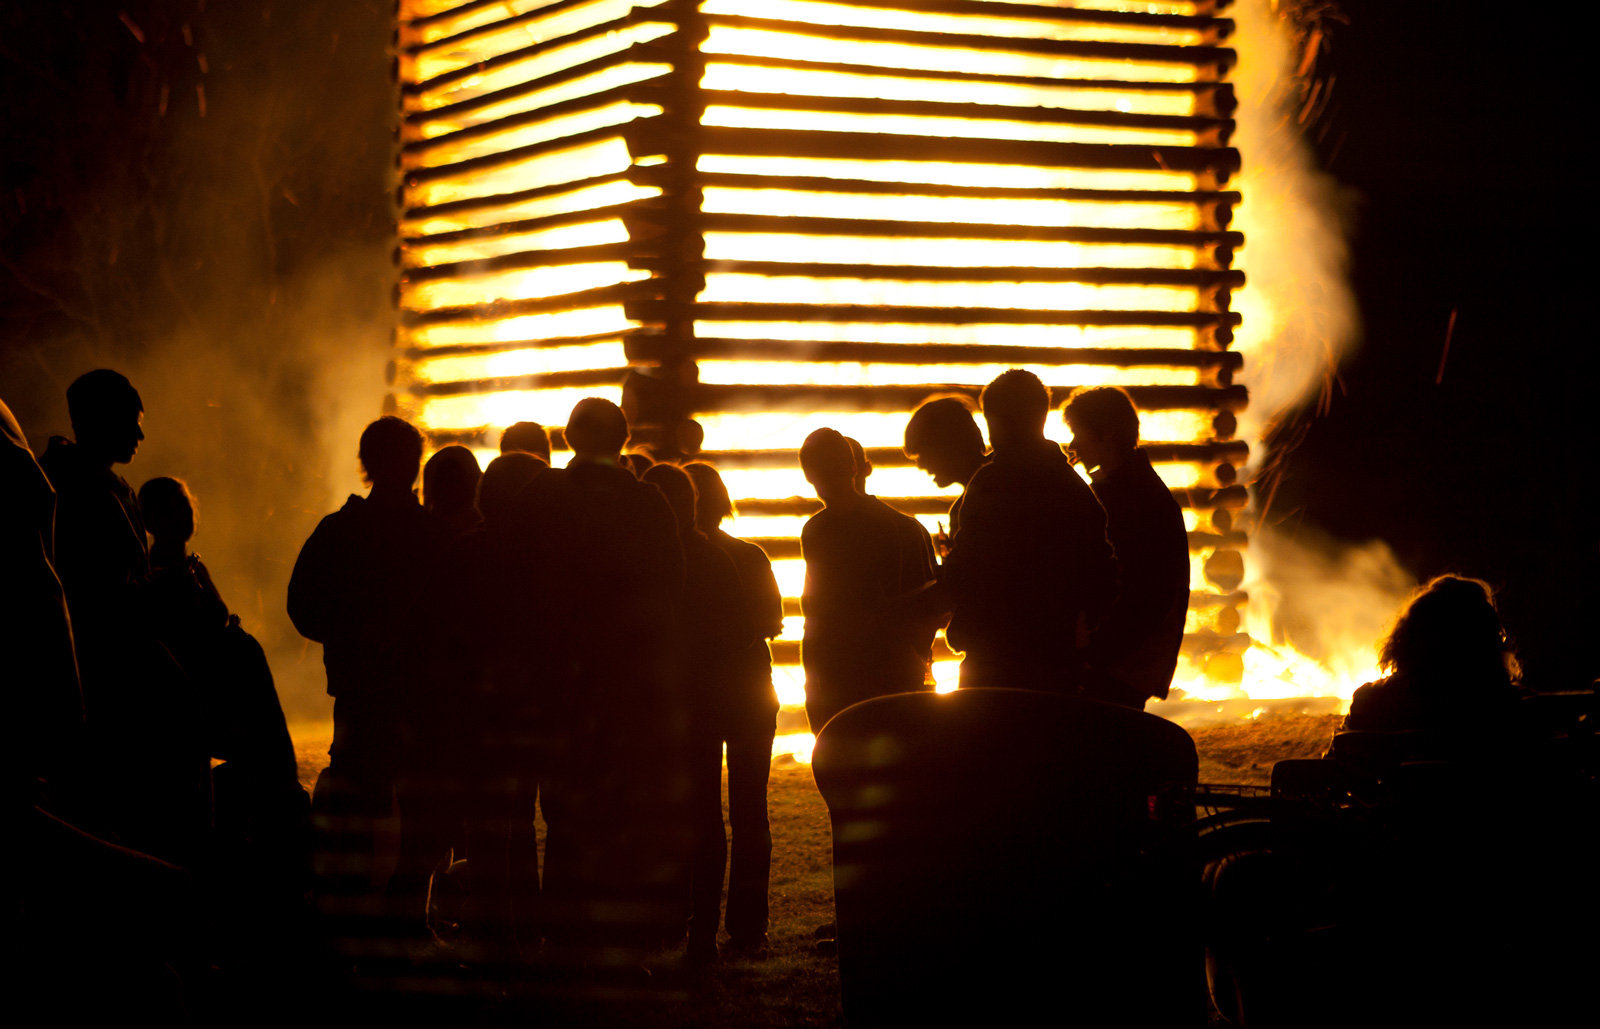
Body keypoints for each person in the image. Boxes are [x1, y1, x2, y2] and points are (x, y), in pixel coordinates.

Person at [535, 398, 686, 964]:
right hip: (628, 680)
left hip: (561, 677)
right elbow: (671, 584)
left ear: (570, 438)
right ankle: (625, 932)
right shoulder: (645, 501)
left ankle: (567, 931)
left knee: (565, 805)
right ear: (622, 440)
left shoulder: (545, 497)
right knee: (624, 803)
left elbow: (521, 581)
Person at [39, 370, 208, 865]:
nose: (139, 435)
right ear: (100, 421)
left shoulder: (101, 486)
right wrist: (168, 590)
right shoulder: (79, 492)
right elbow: (100, 597)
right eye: (131, 422)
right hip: (106, 667)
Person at [287, 415, 441, 945]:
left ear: (366, 463)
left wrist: (349, 638)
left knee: (359, 803)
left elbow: (302, 607)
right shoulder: (431, 534)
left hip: (362, 691)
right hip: (416, 694)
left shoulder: (340, 530)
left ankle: (349, 916)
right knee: (417, 804)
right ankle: (404, 919)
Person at [942, 370, 1116, 694]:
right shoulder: (1075, 490)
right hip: (1056, 663)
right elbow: (1102, 574)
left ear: (999, 422)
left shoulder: (991, 484)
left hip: (993, 661)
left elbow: (967, 568)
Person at [641, 463, 750, 964]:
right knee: (704, 815)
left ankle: (669, 921)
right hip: (703, 704)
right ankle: (700, 929)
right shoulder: (712, 558)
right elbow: (739, 633)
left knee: (669, 814)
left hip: (662, 707)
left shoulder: (648, 561)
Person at [682, 462, 782, 957]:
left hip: (698, 697)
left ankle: (698, 926)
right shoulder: (750, 554)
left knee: (701, 812)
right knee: (750, 812)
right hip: (750, 693)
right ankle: (747, 926)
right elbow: (773, 622)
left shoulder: (679, 562)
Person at [799, 428, 939, 732]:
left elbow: (817, 616)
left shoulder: (818, 531)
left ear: (808, 475)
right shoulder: (906, 528)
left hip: (842, 675)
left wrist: (814, 681)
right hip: (898, 669)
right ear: (854, 466)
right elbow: (932, 607)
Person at [1062, 387, 1189, 709]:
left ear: (1106, 435)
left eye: (1079, 434)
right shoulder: (1134, 492)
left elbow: (1145, 595)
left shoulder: (1132, 501)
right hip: (1122, 663)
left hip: (1118, 666)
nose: (1073, 446)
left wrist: (1094, 653)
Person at [1343, 575, 1524, 734]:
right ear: (1488, 642)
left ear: (1407, 638)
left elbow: (1338, 759)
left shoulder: (1368, 702)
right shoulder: (1519, 708)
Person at [903, 395, 988, 555]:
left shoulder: (984, 498)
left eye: (924, 454)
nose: (921, 466)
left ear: (949, 446)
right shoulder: (971, 500)